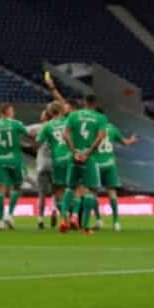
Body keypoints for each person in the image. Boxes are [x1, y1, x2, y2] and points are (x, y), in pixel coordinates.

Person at [63, 95, 108, 235]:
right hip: (90, 158)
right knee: (91, 190)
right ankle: (84, 227)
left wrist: (74, 151)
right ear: (95, 103)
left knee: (70, 188)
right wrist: (88, 153)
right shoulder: (100, 118)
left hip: (74, 156)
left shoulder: (74, 115)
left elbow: (65, 134)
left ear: (84, 102)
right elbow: (101, 136)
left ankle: (65, 220)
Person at [0, 103, 28, 230]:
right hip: (15, 160)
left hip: (1, 160)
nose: (13, 112)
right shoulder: (17, 124)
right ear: (7, 112)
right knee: (17, 187)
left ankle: (0, 220)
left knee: (0, 190)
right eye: (12, 110)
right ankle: (9, 214)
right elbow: (28, 134)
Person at [92, 116, 136, 232]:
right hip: (110, 164)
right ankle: (116, 222)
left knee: (92, 192)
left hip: (96, 164)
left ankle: (98, 220)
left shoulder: (93, 128)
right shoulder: (112, 128)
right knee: (112, 192)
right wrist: (131, 140)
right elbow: (125, 142)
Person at [32, 101, 68, 232]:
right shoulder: (68, 122)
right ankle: (64, 214)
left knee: (43, 193)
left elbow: (35, 141)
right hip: (62, 160)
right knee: (62, 190)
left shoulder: (44, 127)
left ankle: (41, 220)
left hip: (44, 163)